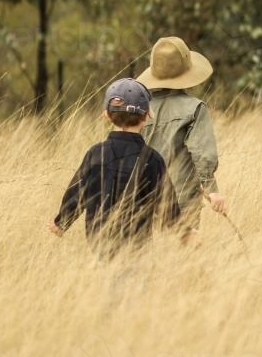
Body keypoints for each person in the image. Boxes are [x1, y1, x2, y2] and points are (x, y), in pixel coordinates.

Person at [49, 78, 182, 258]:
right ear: (146, 116)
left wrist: (61, 222)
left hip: (99, 248)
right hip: (137, 250)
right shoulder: (152, 159)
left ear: (107, 115)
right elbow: (168, 208)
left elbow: (78, 193)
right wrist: (185, 231)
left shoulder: (95, 154)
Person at [136, 36, 227, 241]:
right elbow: (202, 153)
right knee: (183, 257)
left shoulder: (140, 108)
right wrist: (212, 189)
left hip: (142, 197)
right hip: (182, 199)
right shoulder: (195, 108)